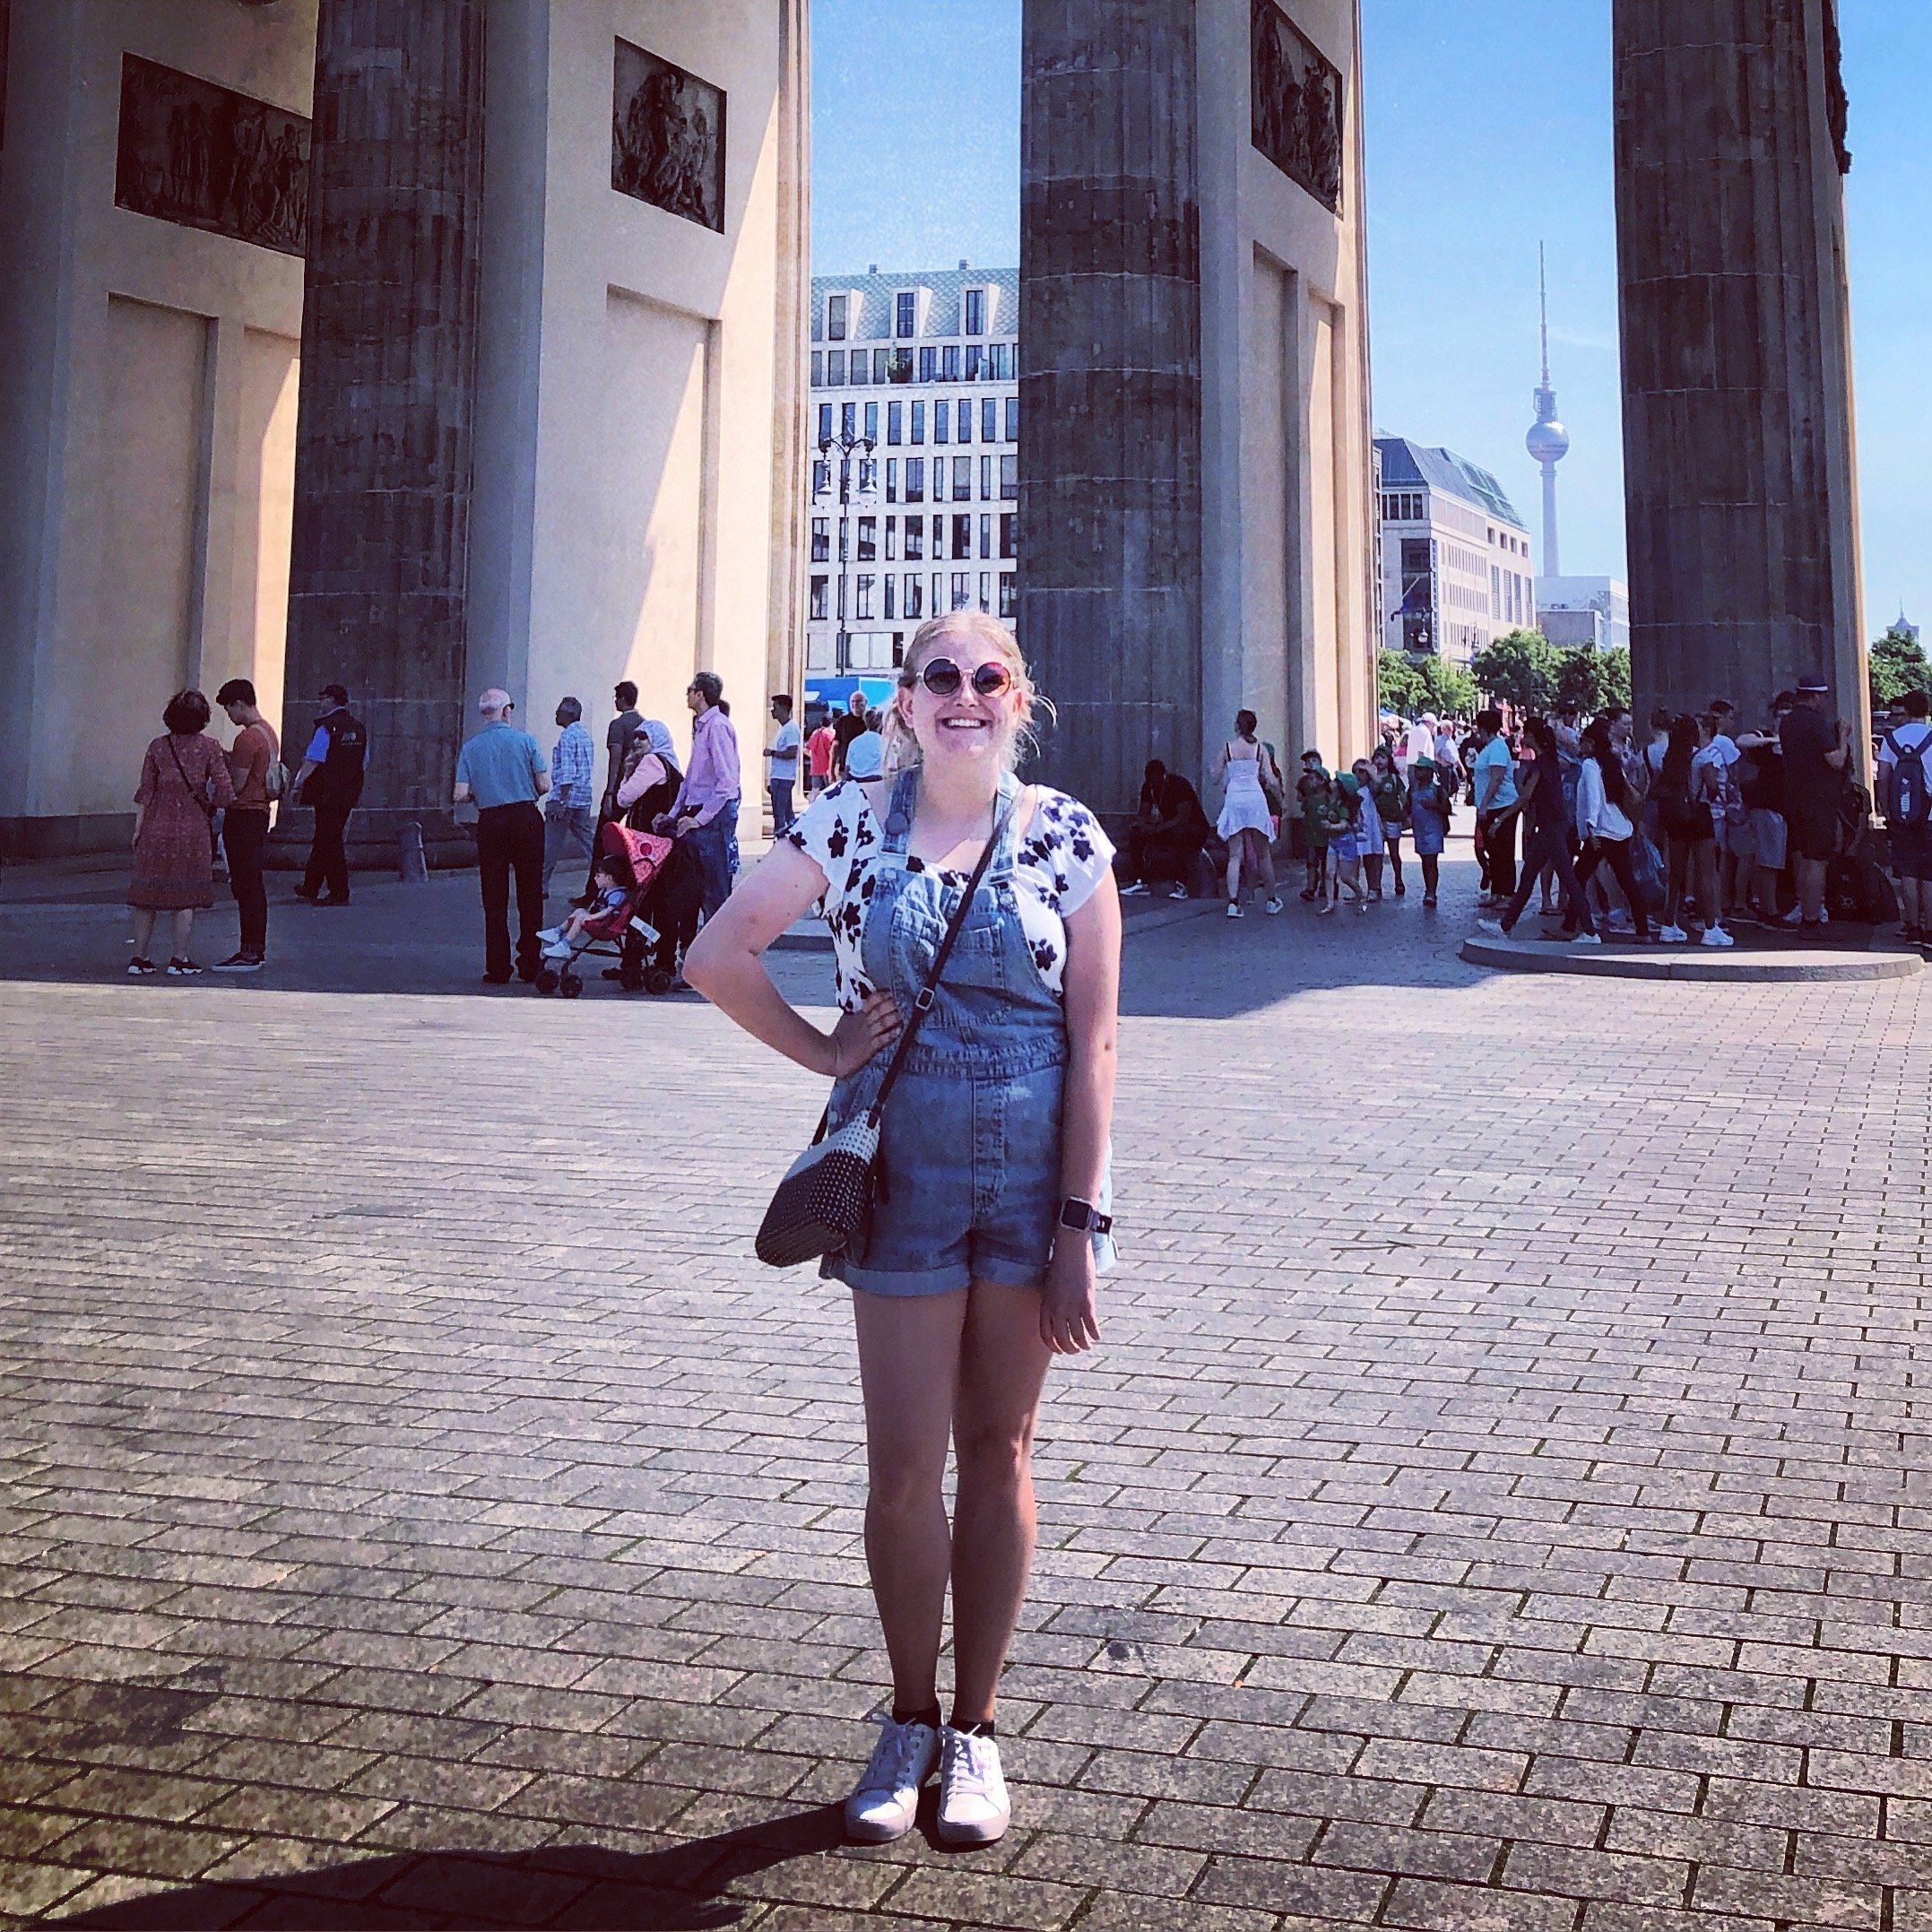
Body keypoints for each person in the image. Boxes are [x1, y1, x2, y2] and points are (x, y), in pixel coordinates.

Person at [683, 610, 1121, 1851]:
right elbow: (716, 949)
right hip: (903, 1170)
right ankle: (908, 1716)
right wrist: (823, 1048)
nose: (965, 695)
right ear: (904, 700)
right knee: (898, 1466)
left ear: (1018, 698)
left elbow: (1092, 1041)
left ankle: (975, 1728)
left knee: (1000, 1448)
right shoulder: (845, 822)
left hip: (1032, 1182)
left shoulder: (1065, 837)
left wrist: (1080, 1223)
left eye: (989, 677)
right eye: (941, 676)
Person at [127, 689, 236, 976]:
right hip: (192, 830)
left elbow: (145, 791)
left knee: (146, 895)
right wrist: (210, 803)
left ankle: (139, 957)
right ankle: (179, 958)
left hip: (155, 826)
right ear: (203, 718)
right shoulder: (210, 748)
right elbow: (225, 791)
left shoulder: (157, 747)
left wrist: (138, 829)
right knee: (185, 897)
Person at [454, 688, 550, 984]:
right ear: (507, 711)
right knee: (530, 894)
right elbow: (545, 785)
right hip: (525, 818)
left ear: (485, 714)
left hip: (491, 821)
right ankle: (530, 962)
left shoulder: (471, 748)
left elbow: (459, 794)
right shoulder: (526, 741)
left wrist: (481, 793)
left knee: (494, 898)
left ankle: (497, 966)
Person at [1478, 717, 1599, 942]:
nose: (1522, 735)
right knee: (1532, 875)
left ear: (1533, 736)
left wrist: (1500, 820)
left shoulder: (1540, 764)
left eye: (1526, 731)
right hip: (1552, 826)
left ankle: (1590, 932)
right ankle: (1506, 925)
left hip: (1550, 828)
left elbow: (1524, 797)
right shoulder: (1550, 761)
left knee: (1563, 876)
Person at [658, 671, 741, 921]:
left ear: (700, 695)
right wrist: (673, 814)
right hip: (700, 811)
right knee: (696, 886)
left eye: (690, 689)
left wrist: (701, 819)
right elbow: (692, 776)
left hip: (713, 815)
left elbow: (727, 781)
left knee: (714, 889)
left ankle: (718, 952)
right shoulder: (703, 726)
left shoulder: (717, 726)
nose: (687, 693)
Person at [211, 679, 279, 972]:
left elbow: (236, 784)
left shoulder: (247, 738)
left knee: (245, 882)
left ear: (240, 703)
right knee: (254, 881)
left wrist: (220, 766)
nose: (229, 715)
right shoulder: (268, 733)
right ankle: (254, 948)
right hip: (261, 812)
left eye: (229, 708)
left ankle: (249, 951)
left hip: (244, 814)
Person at [1780, 677, 1851, 933]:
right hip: (1818, 799)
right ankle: (1812, 919)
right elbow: (1837, 760)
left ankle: (1805, 913)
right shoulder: (1816, 723)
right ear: (1815, 696)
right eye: (1824, 696)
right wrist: (1842, 735)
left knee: (1803, 858)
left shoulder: (1787, 722)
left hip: (1794, 797)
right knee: (1817, 860)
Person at [1652, 714, 1729, 945]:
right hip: (1699, 815)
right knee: (1706, 873)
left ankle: (1668, 924)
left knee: (1676, 873)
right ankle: (1710, 928)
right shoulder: (1701, 756)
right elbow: (1713, 787)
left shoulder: (1668, 758)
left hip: (1676, 818)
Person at [1572, 719, 1651, 940]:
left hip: (1600, 830)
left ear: (1590, 743)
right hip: (1617, 827)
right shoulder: (1612, 763)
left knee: (1578, 877)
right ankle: (1642, 929)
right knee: (1627, 881)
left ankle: (1573, 926)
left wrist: (1590, 826)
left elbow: (1594, 797)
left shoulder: (1590, 765)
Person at [292, 683, 365, 905]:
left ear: (332, 700)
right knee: (325, 837)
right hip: (348, 791)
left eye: (322, 698)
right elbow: (364, 760)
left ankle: (339, 891)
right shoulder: (358, 728)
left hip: (326, 792)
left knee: (330, 840)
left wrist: (298, 783)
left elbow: (314, 759)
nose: (319, 702)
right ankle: (311, 885)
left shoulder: (326, 727)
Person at [1212, 709, 1283, 918]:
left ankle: (1233, 903)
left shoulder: (1228, 748)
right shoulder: (1260, 749)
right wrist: (1280, 800)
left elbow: (1215, 776)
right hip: (1255, 798)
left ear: (1237, 726)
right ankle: (1271, 900)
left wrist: (1216, 771)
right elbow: (1270, 779)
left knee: (1235, 855)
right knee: (1263, 854)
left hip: (1235, 797)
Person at [1879, 689, 1932, 941]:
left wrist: (1886, 810)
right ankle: (1930, 930)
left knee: (1909, 873)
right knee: (1929, 875)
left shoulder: (1891, 740)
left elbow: (1884, 778)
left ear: (1907, 711)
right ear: (1927, 710)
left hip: (1903, 814)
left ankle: (1912, 928)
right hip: (1931, 816)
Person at [1119, 760, 1209, 900]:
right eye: (1150, 782)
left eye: (1156, 781)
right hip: (1167, 826)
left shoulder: (1179, 785)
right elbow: (1143, 813)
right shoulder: (1149, 787)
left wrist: (1157, 829)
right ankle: (1140, 881)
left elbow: (1182, 818)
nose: (1153, 785)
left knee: (1179, 835)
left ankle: (1182, 884)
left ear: (1163, 776)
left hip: (1194, 828)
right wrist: (1143, 825)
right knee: (1136, 833)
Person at [537, 849, 636, 962]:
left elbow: (608, 911)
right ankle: (558, 932)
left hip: (606, 925)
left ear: (609, 878)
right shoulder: (606, 891)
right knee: (579, 911)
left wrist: (591, 917)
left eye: (598, 876)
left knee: (580, 916)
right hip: (602, 921)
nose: (594, 878)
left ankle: (566, 944)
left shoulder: (617, 894)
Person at [542, 697, 597, 897]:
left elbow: (567, 771)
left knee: (551, 844)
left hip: (565, 797)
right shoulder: (585, 736)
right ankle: (605, 878)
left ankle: (541, 885)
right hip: (583, 797)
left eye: (559, 712)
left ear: (569, 715)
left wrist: (562, 801)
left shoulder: (567, 737)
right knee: (589, 842)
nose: (556, 714)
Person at [1471, 710, 1519, 904]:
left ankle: (1506, 892)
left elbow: (1496, 778)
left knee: (1502, 850)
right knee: (1494, 849)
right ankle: (1497, 891)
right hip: (1491, 806)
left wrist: (1483, 805)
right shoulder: (1490, 747)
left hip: (1500, 805)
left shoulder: (1497, 747)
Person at [1408, 755, 1451, 908]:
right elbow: (1408, 808)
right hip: (1419, 830)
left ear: (1430, 773)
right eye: (1417, 769)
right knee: (1424, 861)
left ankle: (1431, 892)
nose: (1418, 773)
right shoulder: (1412, 790)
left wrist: (1435, 806)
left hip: (1434, 830)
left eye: (1421, 770)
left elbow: (1448, 809)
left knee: (1431, 861)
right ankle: (1428, 888)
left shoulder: (1438, 790)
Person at [602, 681, 645, 821]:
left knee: (606, 830)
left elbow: (615, 758)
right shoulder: (645, 724)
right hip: (641, 781)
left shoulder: (617, 725)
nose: (615, 701)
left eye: (616, 697)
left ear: (623, 699)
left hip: (621, 782)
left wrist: (609, 792)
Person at [1370, 745, 1408, 897]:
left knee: (1394, 853)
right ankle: (1376, 885)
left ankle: (1398, 880)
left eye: (1383, 757)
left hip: (1393, 820)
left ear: (1389, 760)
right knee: (1378, 854)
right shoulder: (1372, 778)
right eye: (1377, 757)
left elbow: (1402, 794)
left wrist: (1401, 808)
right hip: (1378, 820)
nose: (1379, 761)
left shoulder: (1393, 778)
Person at [1296, 752, 1332, 901]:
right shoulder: (1304, 783)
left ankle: (1326, 885)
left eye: (1313, 760)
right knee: (1311, 861)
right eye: (1307, 761)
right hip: (1311, 832)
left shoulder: (1328, 795)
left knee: (1325, 861)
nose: (1310, 763)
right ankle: (1310, 887)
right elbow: (1300, 800)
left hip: (1325, 834)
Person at [767, 694, 801, 837]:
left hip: (784, 777)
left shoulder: (791, 729)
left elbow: (792, 752)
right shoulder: (783, 728)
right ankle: (793, 840)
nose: (772, 710)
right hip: (779, 776)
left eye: (776, 707)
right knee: (786, 813)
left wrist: (773, 753)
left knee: (779, 814)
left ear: (785, 708)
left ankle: (780, 842)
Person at [832, 688, 871, 779]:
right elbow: (835, 747)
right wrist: (831, 770)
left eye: (858, 701)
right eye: (852, 701)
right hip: (846, 769)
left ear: (865, 702)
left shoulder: (871, 721)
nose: (855, 704)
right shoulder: (843, 721)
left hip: (867, 769)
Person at [807, 714, 836, 795]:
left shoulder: (815, 734)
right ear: (831, 724)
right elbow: (832, 751)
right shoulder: (831, 735)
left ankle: (812, 806)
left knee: (815, 790)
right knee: (830, 789)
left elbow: (806, 749)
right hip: (828, 767)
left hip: (816, 767)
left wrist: (813, 756)